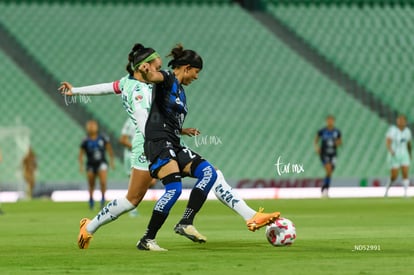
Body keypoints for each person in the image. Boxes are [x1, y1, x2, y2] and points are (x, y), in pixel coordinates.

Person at [60, 43, 279, 251]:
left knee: (205, 176)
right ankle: (115, 232)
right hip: (149, 143)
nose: (160, 67)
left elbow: (107, 87)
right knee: (140, 197)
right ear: (144, 66)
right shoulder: (139, 90)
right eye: (156, 64)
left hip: (165, 139)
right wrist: (158, 153)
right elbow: (145, 120)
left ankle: (89, 227)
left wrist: (76, 90)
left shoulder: (127, 82)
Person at [79, 120, 115, 209]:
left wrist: (111, 162)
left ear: (97, 127)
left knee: (103, 182)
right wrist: (81, 166)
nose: (91, 127)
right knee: (91, 184)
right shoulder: (85, 140)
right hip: (90, 164)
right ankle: (91, 200)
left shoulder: (102, 138)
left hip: (102, 163)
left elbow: (109, 150)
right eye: (89, 126)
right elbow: (81, 154)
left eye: (93, 125)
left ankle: (103, 199)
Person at [314, 115, 342, 198]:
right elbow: (316, 140)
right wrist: (317, 147)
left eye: (331, 120)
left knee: (329, 172)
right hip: (324, 153)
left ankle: (325, 187)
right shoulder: (322, 131)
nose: (330, 122)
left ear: (333, 121)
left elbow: (340, 141)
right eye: (328, 120)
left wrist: (336, 143)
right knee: (328, 169)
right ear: (326, 121)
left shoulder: (337, 132)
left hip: (333, 154)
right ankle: (325, 189)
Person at [384, 114, 412, 197]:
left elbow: (409, 144)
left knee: (405, 172)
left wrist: (410, 154)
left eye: (403, 120)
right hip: (395, 154)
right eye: (399, 120)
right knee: (394, 176)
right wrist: (391, 150)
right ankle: (387, 188)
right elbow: (388, 141)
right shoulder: (392, 130)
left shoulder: (407, 131)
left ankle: (406, 193)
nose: (401, 122)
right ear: (397, 121)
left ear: (405, 122)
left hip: (404, 154)